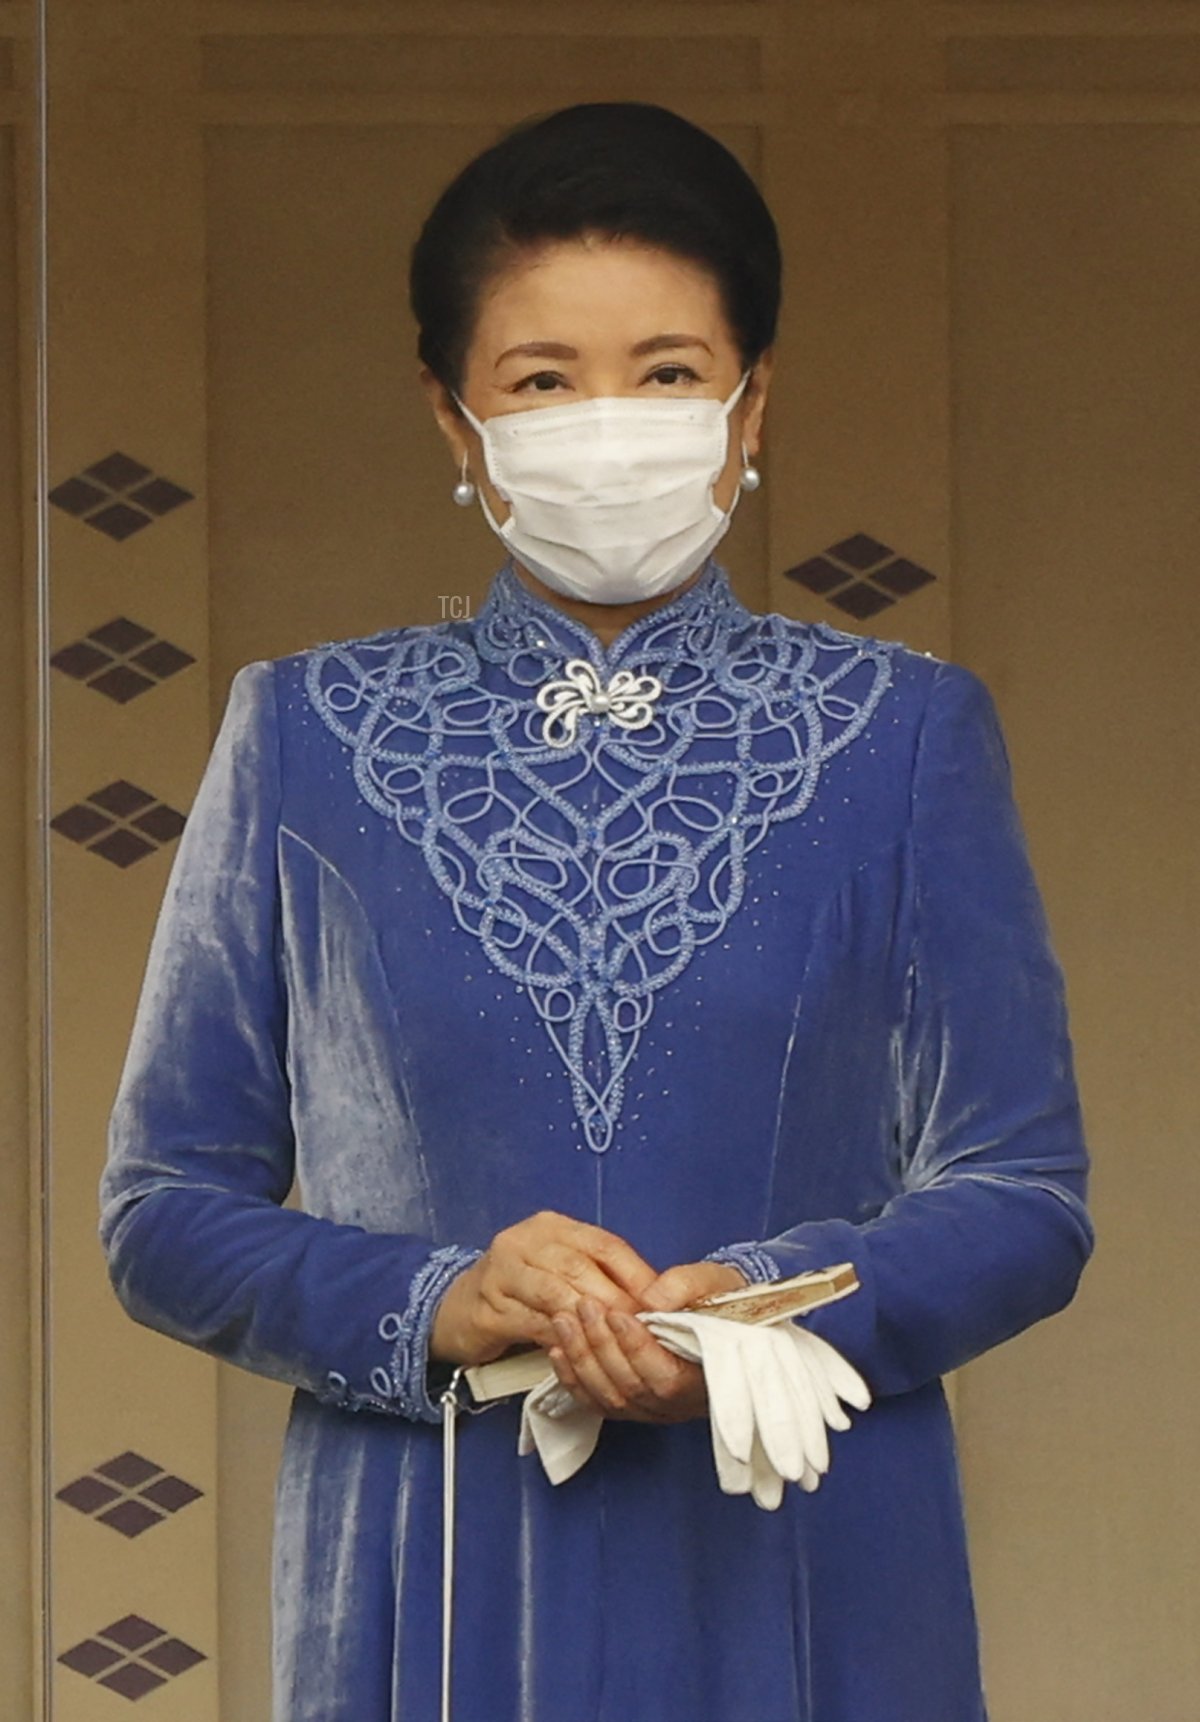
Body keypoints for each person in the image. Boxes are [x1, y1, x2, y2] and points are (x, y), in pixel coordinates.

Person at [100, 102, 1095, 1722]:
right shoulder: (302, 734)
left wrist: (754, 1304)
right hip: (423, 1565)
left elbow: (1026, 1191)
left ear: (751, 400)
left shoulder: (904, 731)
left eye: (670, 372)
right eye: (544, 381)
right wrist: (438, 1300)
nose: (609, 423)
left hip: (803, 1547)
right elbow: (162, 1208)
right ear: (455, 417)